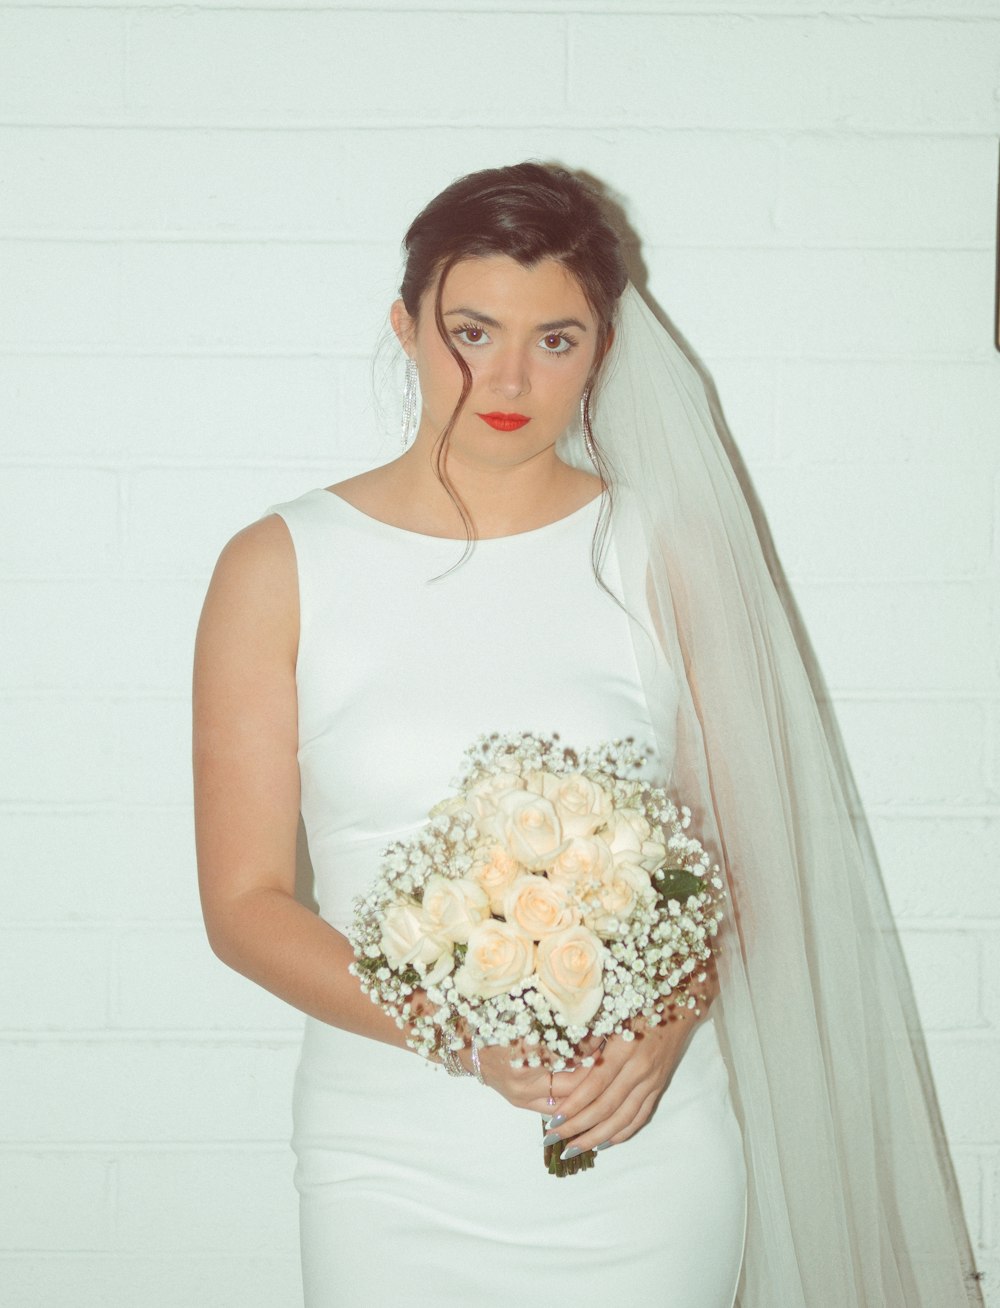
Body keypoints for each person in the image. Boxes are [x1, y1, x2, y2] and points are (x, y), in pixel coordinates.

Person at [193, 162, 983, 1308]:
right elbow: (244, 906)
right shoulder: (277, 566)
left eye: (554, 340)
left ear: (603, 347)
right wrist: (461, 1033)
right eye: (471, 331)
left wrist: (663, 1027)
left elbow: (741, 852)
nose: (509, 377)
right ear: (405, 326)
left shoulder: (664, 553)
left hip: (643, 1145)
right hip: (392, 1161)